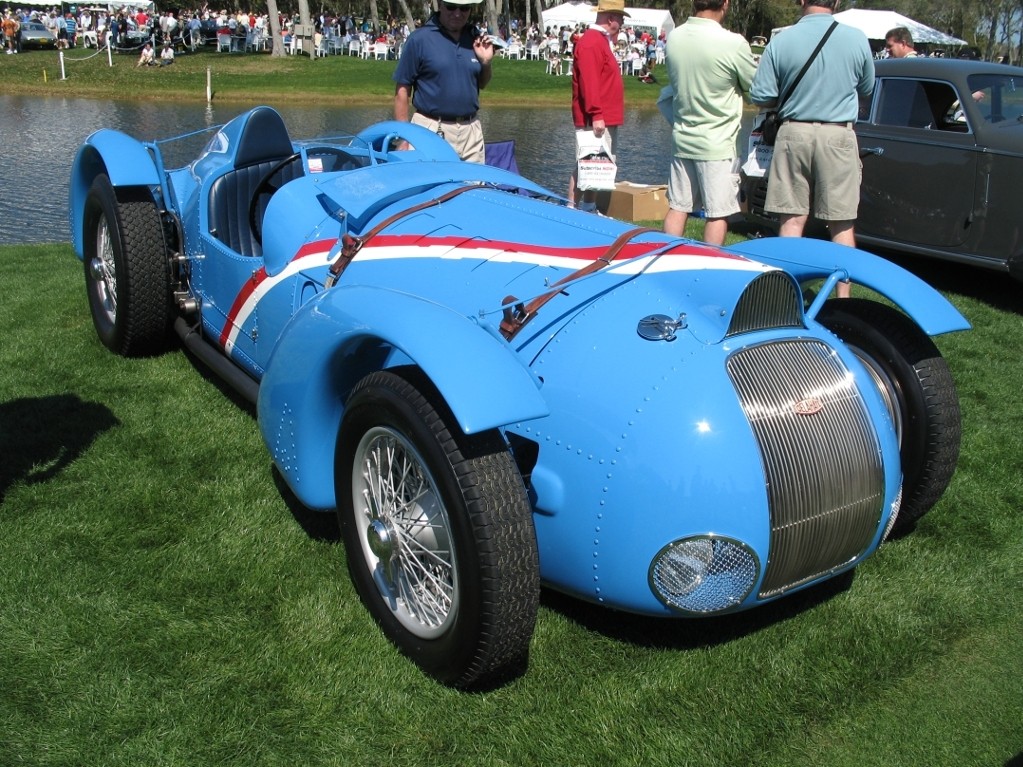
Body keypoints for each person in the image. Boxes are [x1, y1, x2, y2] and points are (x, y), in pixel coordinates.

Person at [750, 0, 873, 297]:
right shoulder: (856, 38)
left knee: (791, 219)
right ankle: (844, 301)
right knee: (841, 223)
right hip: (838, 134)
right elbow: (867, 88)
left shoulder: (783, 40)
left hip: (794, 131)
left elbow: (761, 94)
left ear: (802, 1)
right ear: (837, 2)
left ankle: (787, 295)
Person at [662, 0, 756, 245]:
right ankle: (707, 267)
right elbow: (754, 89)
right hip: (718, 143)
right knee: (717, 214)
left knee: (678, 207)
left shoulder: (675, 37)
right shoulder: (734, 43)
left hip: (683, 137)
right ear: (725, 3)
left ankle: (664, 263)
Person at [392, 0, 494, 163]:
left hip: (471, 131)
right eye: (451, 7)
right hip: (430, 128)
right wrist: (405, 137)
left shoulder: (475, 37)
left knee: (473, 187)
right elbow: (402, 90)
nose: (458, 13)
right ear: (440, 5)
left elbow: (482, 83)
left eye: (464, 8)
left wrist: (486, 62)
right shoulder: (420, 39)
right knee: (431, 186)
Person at [569, 0, 628, 212]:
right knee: (584, 163)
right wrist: (596, 114)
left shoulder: (600, 41)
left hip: (604, 116)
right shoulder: (592, 42)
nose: (621, 23)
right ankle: (572, 208)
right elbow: (589, 81)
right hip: (594, 117)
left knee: (596, 164)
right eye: (620, 18)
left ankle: (588, 206)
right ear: (611, 18)